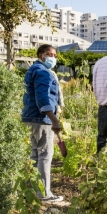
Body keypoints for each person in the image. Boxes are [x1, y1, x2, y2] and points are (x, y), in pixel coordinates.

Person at [21, 44, 64, 204]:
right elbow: (43, 97)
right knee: (45, 155)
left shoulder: (32, 70)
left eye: (54, 55)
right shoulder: (43, 72)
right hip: (41, 119)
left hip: (30, 117)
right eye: (48, 54)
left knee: (34, 155)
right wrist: (54, 119)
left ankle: (31, 191)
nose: (52, 57)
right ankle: (44, 193)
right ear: (40, 55)